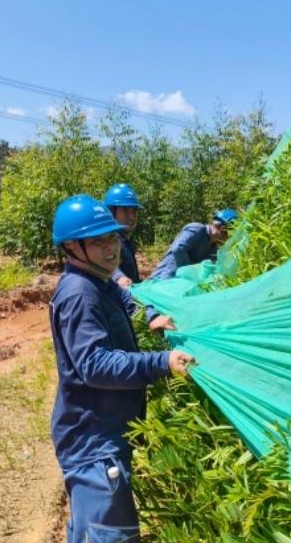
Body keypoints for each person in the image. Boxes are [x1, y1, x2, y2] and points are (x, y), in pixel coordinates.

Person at [48, 193, 194, 543]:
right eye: (97, 241)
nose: (110, 247)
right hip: (93, 441)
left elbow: (125, 299)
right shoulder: (80, 294)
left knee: (91, 529)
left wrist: (150, 316)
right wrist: (162, 363)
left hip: (103, 431)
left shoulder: (100, 281)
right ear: (71, 247)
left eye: (112, 236)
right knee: (108, 534)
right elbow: (95, 365)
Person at [146, 209, 239, 330]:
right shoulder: (197, 229)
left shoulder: (213, 249)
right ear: (223, 229)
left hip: (183, 286)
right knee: (156, 305)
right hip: (167, 276)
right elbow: (179, 248)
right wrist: (189, 272)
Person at [104, 183, 142, 289]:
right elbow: (105, 263)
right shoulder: (110, 240)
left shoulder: (126, 241)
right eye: (125, 210)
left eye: (134, 211)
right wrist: (119, 278)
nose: (131, 217)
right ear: (112, 212)